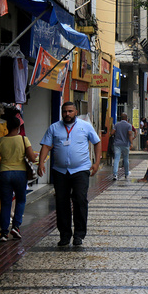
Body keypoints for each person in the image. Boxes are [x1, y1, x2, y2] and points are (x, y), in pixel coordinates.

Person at [38, 102, 101, 247]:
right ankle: (64, 235)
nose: (67, 114)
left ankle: (79, 235)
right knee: (61, 203)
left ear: (76, 112)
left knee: (80, 200)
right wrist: (41, 163)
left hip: (81, 170)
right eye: (65, 111)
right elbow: (46, 146)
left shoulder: (85, 126)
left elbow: (96, 142)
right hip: (60, 171)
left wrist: (96, 163)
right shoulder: (54, 128)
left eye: (70, 111)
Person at [0, 117, 37, 242]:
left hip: (4, 173)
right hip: (20, 174)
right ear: (18, 127)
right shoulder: (23, 139)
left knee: (5, 203)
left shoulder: (0, 141)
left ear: (7, 127)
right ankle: (15, 226)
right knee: (20, 200)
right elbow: (31, 158)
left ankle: (4, 233)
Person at [110, 113, 134, 180]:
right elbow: (129, 134)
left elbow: (112, 133)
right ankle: (126, 173)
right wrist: (131, 143)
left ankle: (115, 174)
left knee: (116, 159)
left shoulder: (117, 125)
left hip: (117, 144)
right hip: (125, 144)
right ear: (126, 118)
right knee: (126, 159)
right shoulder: (129, 125)